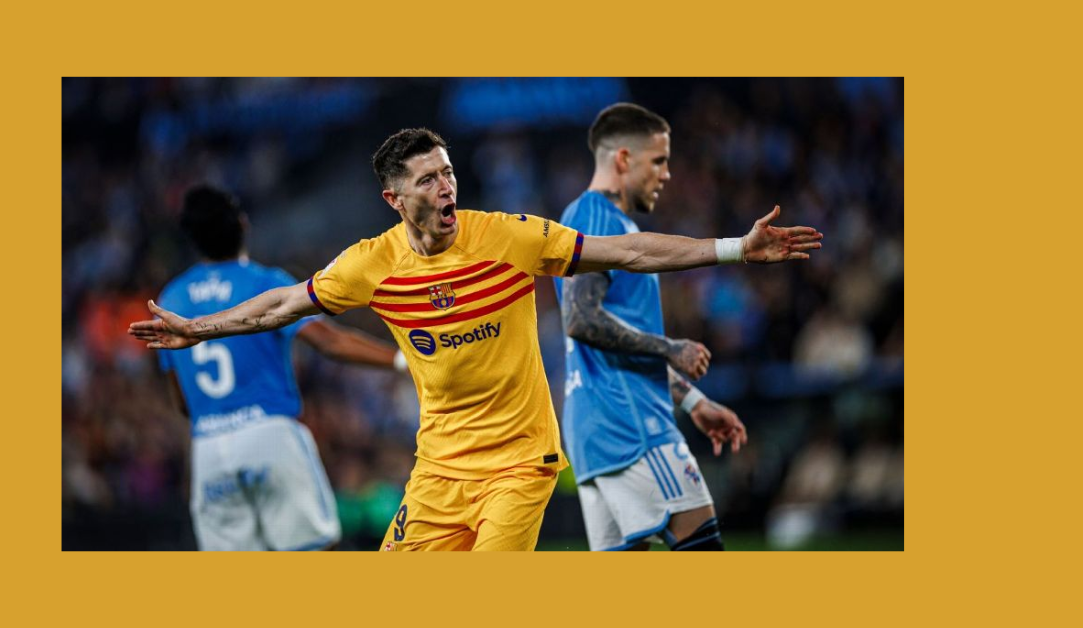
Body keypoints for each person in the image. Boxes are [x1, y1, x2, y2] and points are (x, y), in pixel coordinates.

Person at [130, 128, 822, 552]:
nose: (446, 186)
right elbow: (283, 305)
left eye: (448, 172)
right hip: (438, 472)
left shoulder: (509, 236)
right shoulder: (371, 263)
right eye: (427, 179)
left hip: (519, 464)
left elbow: (630, 251)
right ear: (395, 200)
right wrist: (197, 331)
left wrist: (733, 247)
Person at [554, 103, 759, 551]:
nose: (666, 174)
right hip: (629, 423)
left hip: (597, 427)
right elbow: (581, 318)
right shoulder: (596, 218)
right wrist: (670, 347)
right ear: (624, 158)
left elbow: (615, 341)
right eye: (659, 161)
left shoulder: (600, 221)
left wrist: (694, 401)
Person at [156, 185, 406, 551]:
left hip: (209, 450)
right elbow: (329, 342)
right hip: (269, 435)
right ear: (243, 225)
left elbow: (181, 401)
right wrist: (401, 359)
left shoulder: (171, 299)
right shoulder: (264, 283)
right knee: (314, 552)